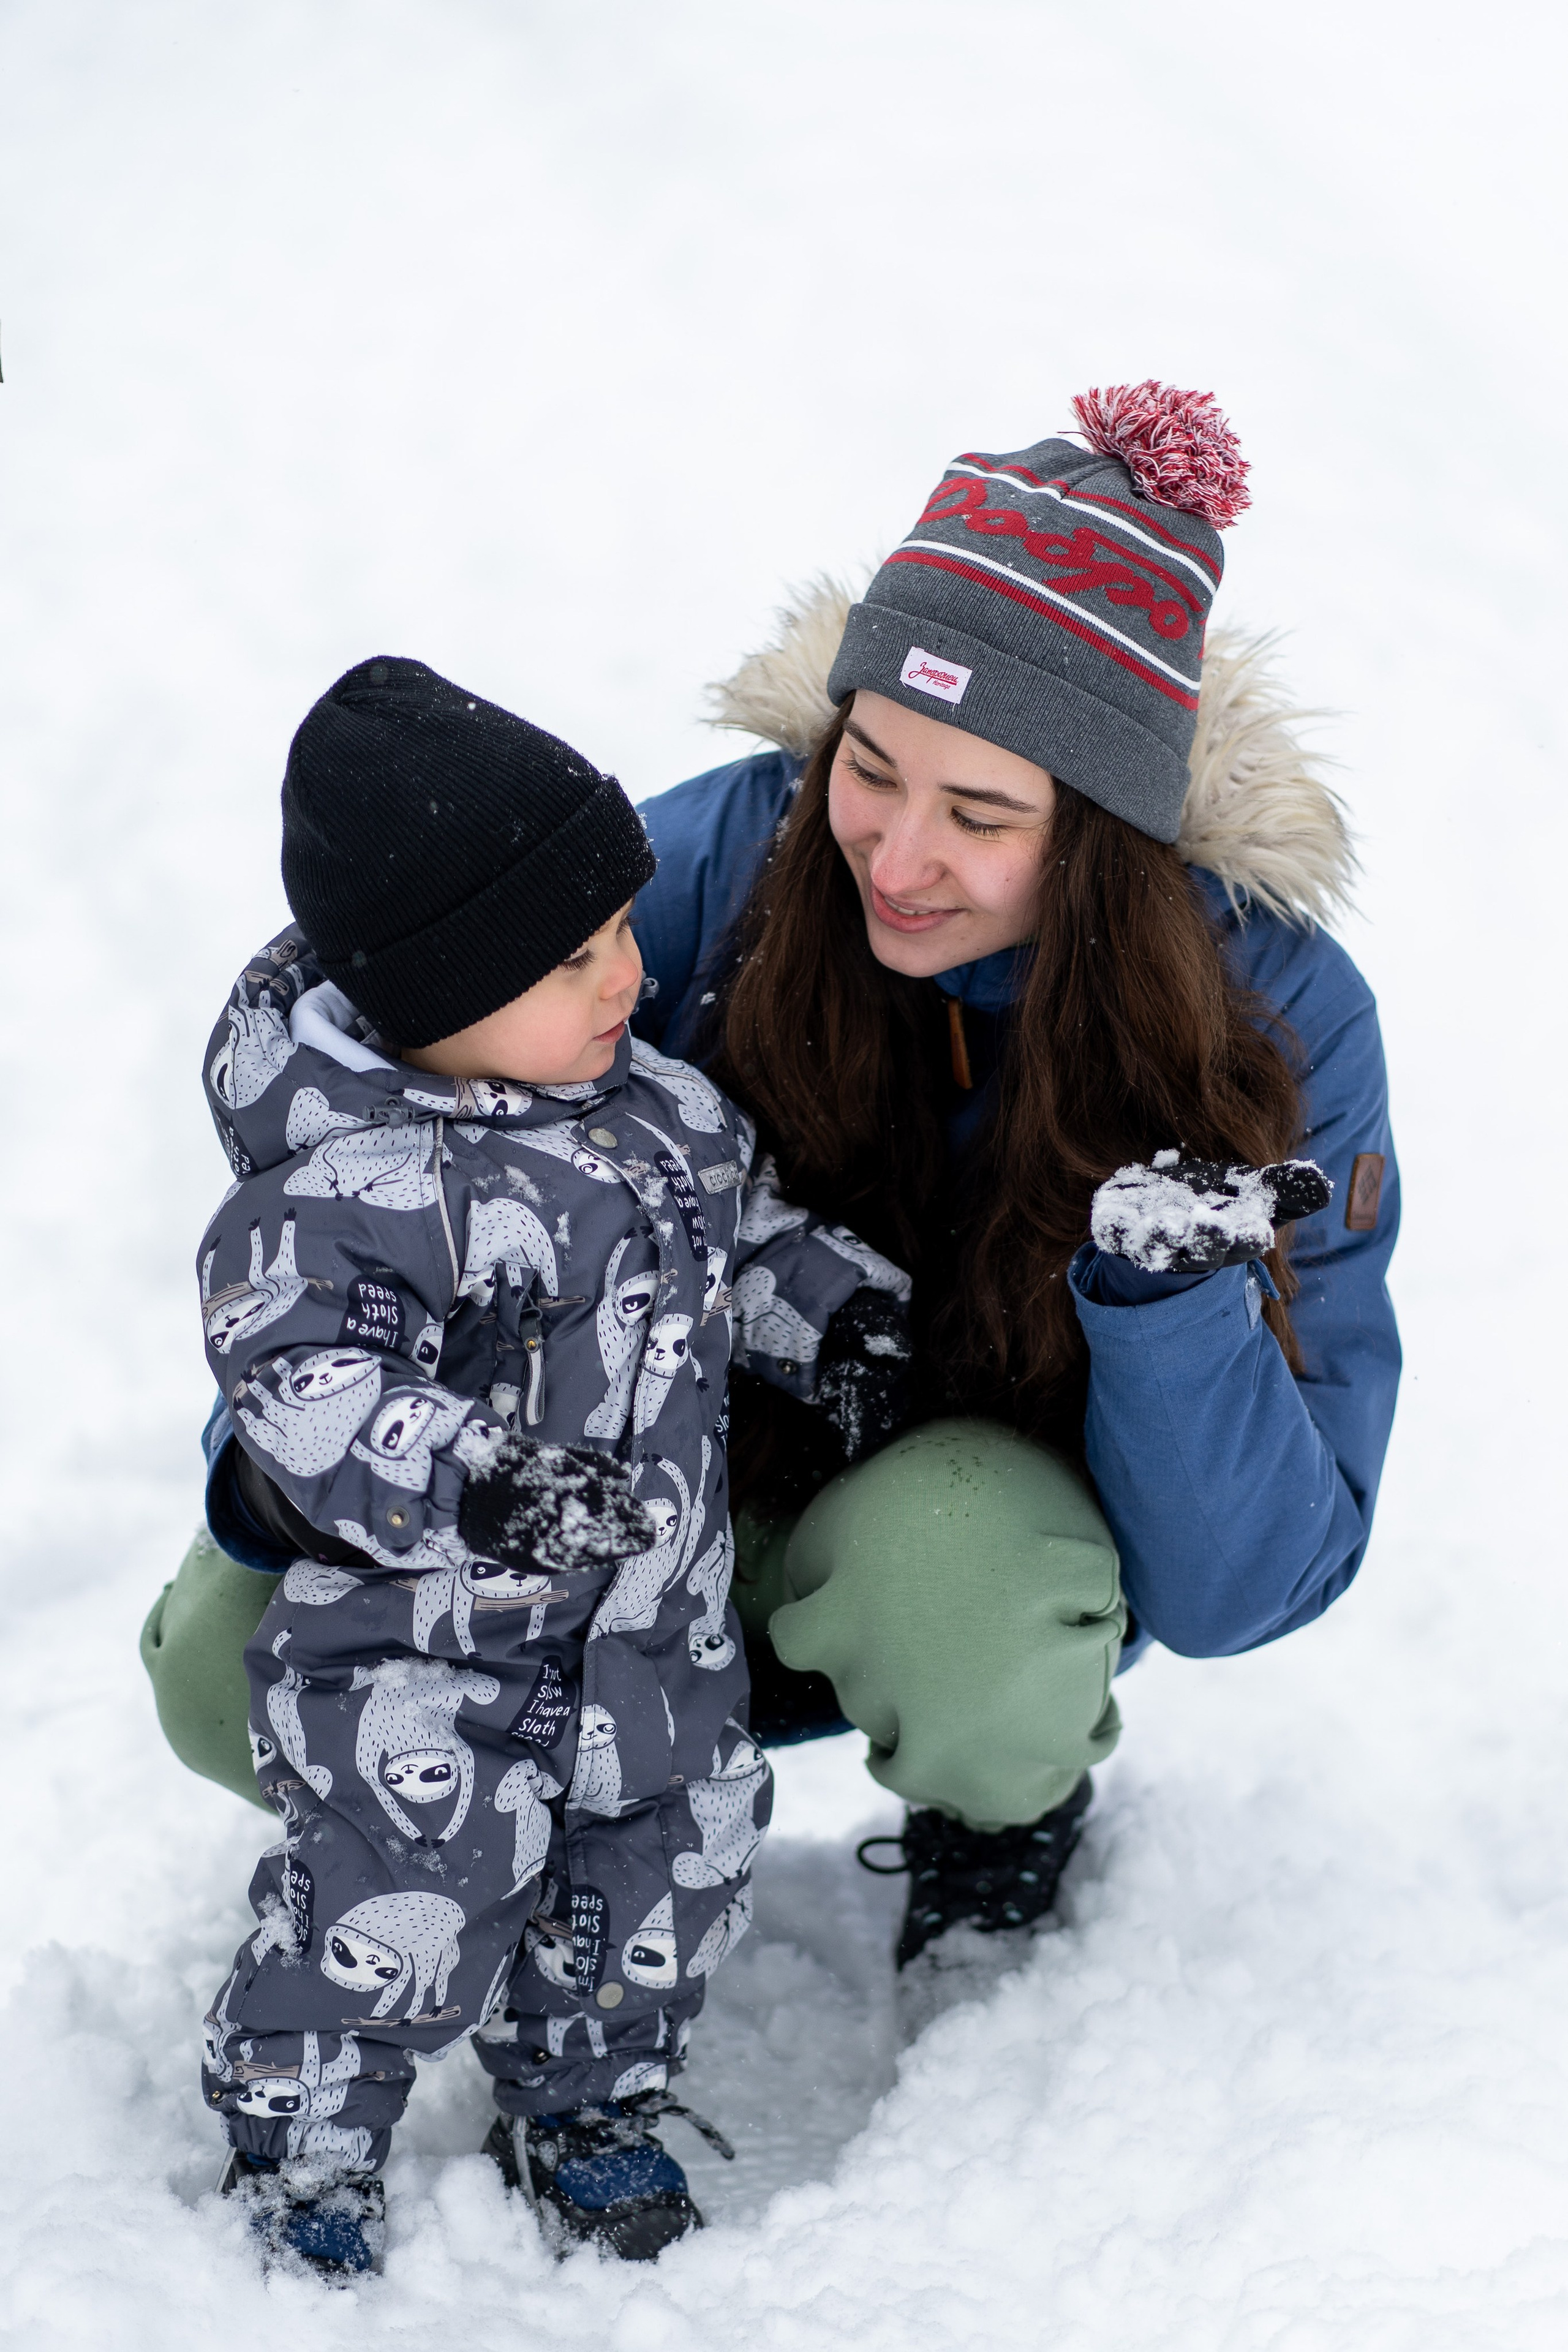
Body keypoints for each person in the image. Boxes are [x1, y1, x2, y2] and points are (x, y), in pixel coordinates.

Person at [627, 382, 1400, 1968]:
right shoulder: (727, 858)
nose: (893, 858)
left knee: (967, 1592)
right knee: (238, 1646)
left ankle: (996, 1793)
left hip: (960, 1538)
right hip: (654, 1475)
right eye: (871, 766)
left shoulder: (1275, 1014)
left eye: (980, 814)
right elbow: (386, 1116)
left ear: (1109, 840)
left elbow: (1250, 1584)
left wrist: (1169, 1301)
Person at [182, 658, 910, 2272]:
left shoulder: (664, 1117)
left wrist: (834, 1317)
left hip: (656, 1637)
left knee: (659, 1884)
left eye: (625, 938)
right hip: (424, 1664)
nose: (627, 982)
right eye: (576, 958)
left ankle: (589, 2109)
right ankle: (302, 2131)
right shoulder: (344, 1188)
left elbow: (749, 1240)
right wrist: (480, 1481)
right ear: (435, 995)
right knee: (396, 1901)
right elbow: (306, 1386)